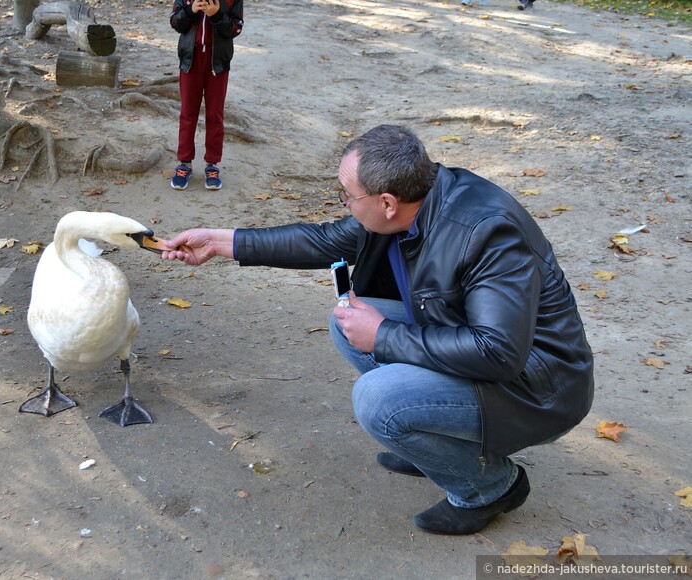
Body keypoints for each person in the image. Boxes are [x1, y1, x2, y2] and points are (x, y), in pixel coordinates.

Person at [159, 124, 594, 535]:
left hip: (540, 388)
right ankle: (440, 448)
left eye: (347, 195)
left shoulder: (486, 232)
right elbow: (324, 240)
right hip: (480, 353)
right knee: (345, 322)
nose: (343, 203)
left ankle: (490, 487)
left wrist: (384, 334)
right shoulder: (416, 200)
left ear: (386, 202)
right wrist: (220, 242)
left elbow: (499, 352)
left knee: (379, 401)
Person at [169, 0, 244, 191]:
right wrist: (191, 10)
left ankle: (212, 164)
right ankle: (184, 163)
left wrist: (216, 14)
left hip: (218, 62)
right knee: (188, 113)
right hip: (190, 59)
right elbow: (175, 22)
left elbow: (236, 29)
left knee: (214, 114)